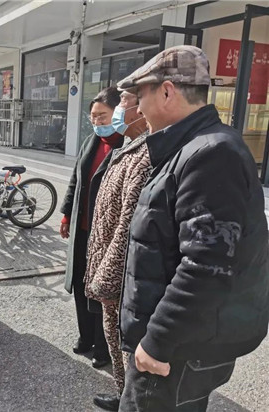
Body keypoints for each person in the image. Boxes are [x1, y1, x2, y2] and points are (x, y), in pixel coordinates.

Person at [116, 45, 269, 411]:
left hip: (178, 349)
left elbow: (207, 265)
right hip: (179, 342)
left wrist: (157, 340)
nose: (137, 109)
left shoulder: (212, 154)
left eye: (141, 96)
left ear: (167, 92)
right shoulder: (191, 146)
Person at [84, 90, 150, 411]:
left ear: (142, 108)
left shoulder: (147, 153)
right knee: (115, 338)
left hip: (122, 275)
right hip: (109, 265)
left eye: (124, 101)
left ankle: (131, 401)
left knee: (127, 342)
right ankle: (123, 394)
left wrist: (106, 278)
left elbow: (128, 224)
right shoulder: (128, 145)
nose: (119, 109)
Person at [60, 87, 123, 367]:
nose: (97, 122)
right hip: (83, 229)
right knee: (80, 283)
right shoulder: (90, 142)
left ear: (118, 113)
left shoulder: (127, 146)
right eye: (93, 117)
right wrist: (66, 215)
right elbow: (76, 180)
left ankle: (103, 346)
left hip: (107, 235)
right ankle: (85, 336)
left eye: (103, 116)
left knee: (102, 289)